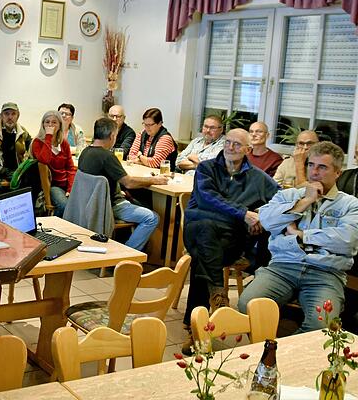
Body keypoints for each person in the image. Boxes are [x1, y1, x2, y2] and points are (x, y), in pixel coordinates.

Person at [239, 142, 358, 333]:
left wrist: (300, 234)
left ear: (338, 173)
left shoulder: (350, 204)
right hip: (283, 266)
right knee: (248, 305)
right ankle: (271, 350)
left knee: (322, 326)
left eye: (322, 167)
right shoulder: (289, 195)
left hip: (326, 272)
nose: (314, 172)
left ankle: (284, 354)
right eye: (310, 165)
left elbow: (347, 240)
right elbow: (267, 222)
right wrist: (304, 202)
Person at [180, 128, 279, 354]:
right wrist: (244, 213)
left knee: (202, 259)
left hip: (230, 242)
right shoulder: (206, 169)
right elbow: (208, 198)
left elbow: (280, 198)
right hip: (197, 230)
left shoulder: (257, 177)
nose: (231, 148)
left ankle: (197, 332)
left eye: (237, 144)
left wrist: (262, 213)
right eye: (228, 142)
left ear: (248, 149)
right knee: (205, 231)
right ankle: (218, 298)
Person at [77, 117, 168, 251]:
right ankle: (126, 253)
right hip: (110, 205)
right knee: (152, 218)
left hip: (88, 204)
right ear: (112, 136)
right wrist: (156, 180)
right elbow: (129, 182)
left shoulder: (85, 152)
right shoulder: (107, 157)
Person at [30, 110, 76, 217]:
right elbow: (44, 160)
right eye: (47, 122)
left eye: (54, 122)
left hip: (66, 183)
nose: (50, 125)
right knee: (64, 206)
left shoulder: (63, 143)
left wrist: (71, 188)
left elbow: (70, 168)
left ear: (60, 125)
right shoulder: (37, 142)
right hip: (52, 185)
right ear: (43, 125)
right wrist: (49, 136)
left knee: (82, 204)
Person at [0, 102, 32, 173]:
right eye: (6, 114)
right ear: (1, 116)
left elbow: (31, 150)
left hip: (16, 173)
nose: (10, 117)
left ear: (18, 116)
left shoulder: (23, 132)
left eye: (13, 114)